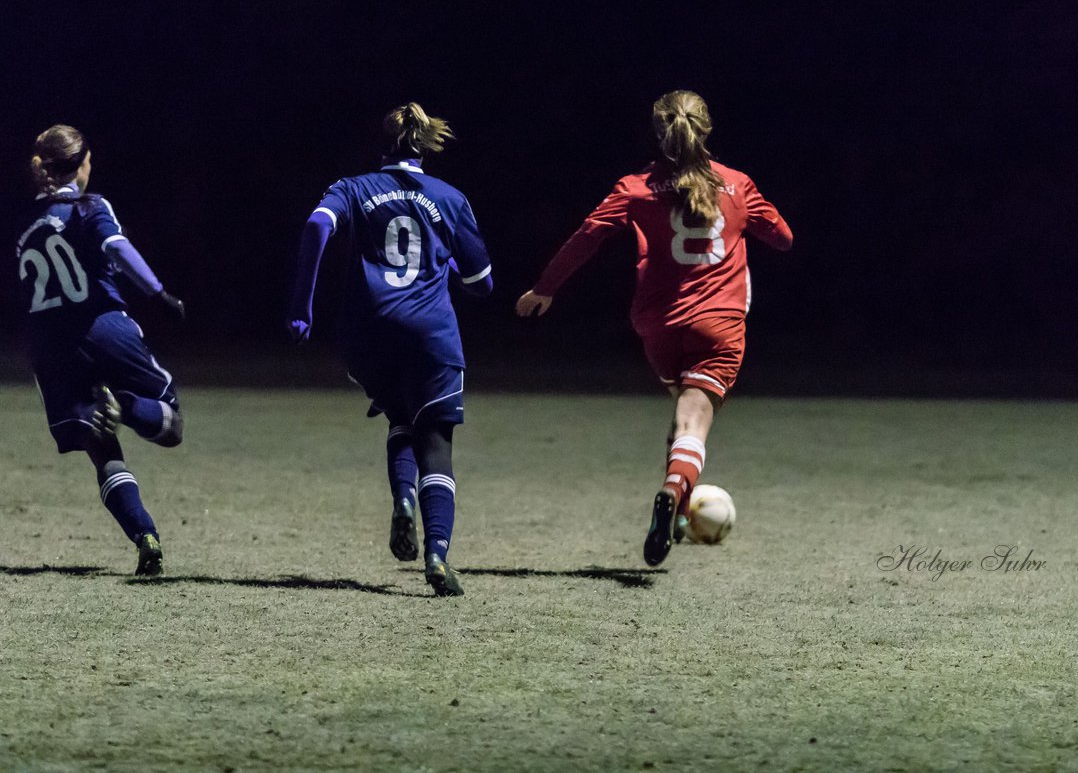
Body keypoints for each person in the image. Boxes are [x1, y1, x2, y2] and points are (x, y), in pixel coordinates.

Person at [516, 90, 793, 566]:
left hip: (659, 325)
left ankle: (679, 516)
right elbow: (784, 238)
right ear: (706, 130)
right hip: (719, 325)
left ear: (660, 132)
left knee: (682, 416)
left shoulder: (635, 187)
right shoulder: (737, 184)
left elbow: (587, 237)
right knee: (692, 422)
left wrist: (545, 287)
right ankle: (671, 492)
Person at [287, 102, 492, 596]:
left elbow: (317, 225)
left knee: (400, 416)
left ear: (381, 144)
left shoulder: (353, 188)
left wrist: (302, 304)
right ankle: (438, 554)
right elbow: (481, 282)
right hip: (430, 334)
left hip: (367, 335)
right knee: (436, 444)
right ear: (425, 146)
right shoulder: (450, 197)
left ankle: (403, 499)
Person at [16, 125, 187, 575]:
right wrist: (158, 294)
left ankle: (144, 534)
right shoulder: (90, 206)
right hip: (102, 327)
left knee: (101, 446)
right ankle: (127, 408)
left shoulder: (23, 224)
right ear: (82, 164)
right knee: (171, 422)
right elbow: (116, 245)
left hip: (51, 347)